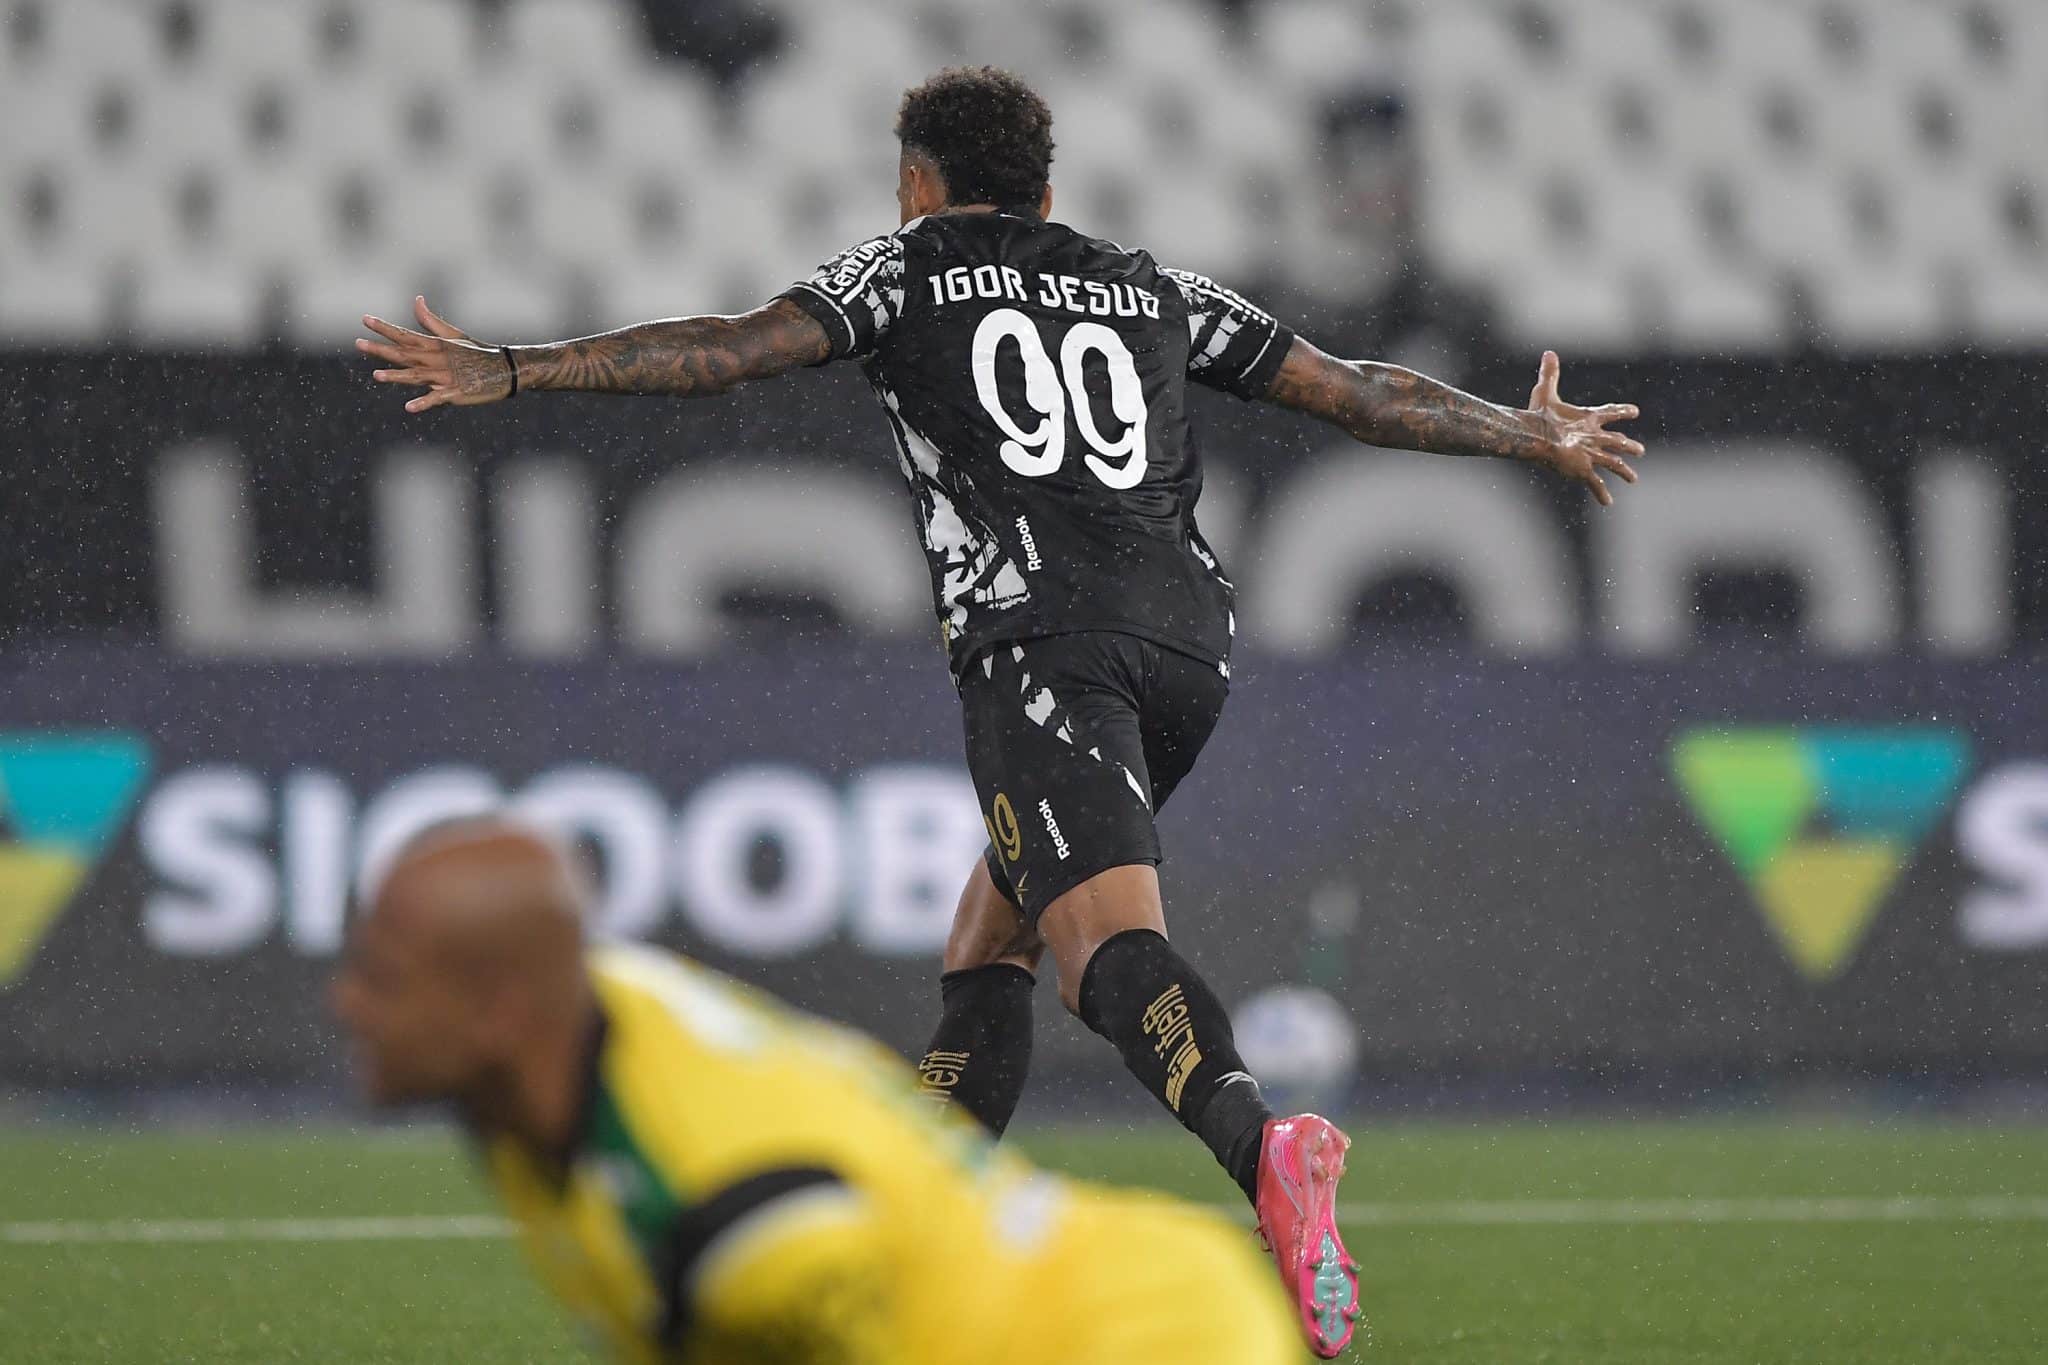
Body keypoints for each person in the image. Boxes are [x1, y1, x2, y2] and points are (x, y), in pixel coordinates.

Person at [355, 66, 1643, 1357]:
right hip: (1187, 650)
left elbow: (729, 349)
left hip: (1042, 649)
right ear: (1046, 189)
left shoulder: (906, 269)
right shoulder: (1147, 284)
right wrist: (1524, 434)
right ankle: (921, 1201)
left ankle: (1264, 1145)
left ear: (917, 180)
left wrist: (516, 369)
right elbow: (1353, 386)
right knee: (990, 947)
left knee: (1102, 950)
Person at [331, 818, 1306, 1364]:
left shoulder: (742, 1215)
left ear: (498, 1012)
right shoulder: (542, 1047)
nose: (348, 1003)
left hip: (1143, 1336)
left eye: (383, 977)